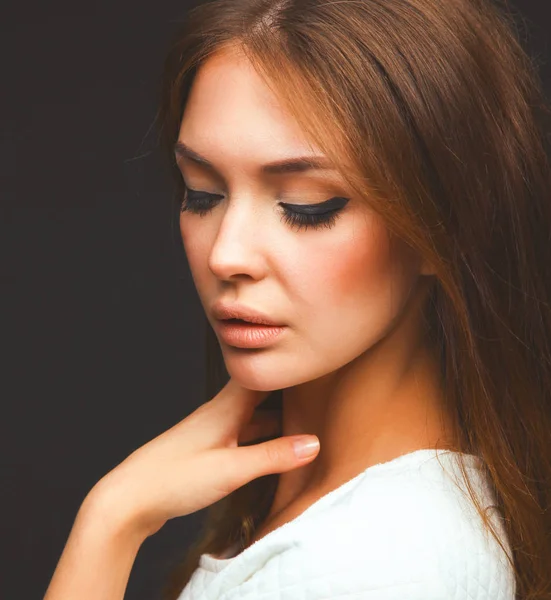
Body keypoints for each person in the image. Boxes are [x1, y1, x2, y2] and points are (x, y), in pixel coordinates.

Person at [43, 1, 551, 599]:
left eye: (306, 206)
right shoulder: (337, 521)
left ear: (444, 229)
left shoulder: (368, 568)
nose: (226, 255)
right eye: (202, 193)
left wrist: (108, 523)